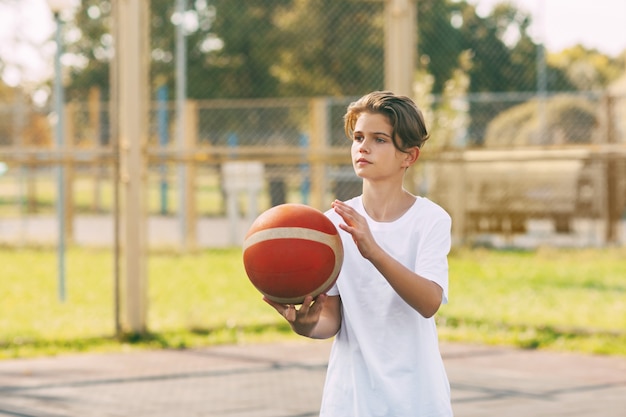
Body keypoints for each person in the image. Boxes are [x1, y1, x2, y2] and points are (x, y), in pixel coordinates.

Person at [265, 90, 453, 416]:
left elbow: (429, 302)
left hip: (416, 398)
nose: (363, 147)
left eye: (379, 139)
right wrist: (305, 325)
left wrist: (374, 251)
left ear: (409, 156)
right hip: (350, 399)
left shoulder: (430, 219)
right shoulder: (330, 225)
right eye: (358, 137)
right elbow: (333, 318)